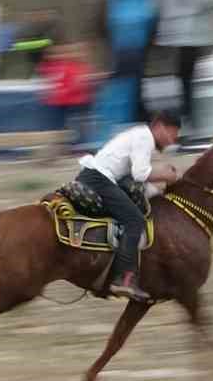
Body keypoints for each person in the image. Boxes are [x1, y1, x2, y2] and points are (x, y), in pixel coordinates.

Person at [68, 109, 182, 302]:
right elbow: (140, 174)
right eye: (172, 134)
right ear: (159, 126)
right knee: (134, 220)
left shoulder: (139, 135)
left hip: (100, 177)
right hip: (99, 179)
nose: (172, 140)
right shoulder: (144, 137)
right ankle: (125, 279)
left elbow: (134, 180)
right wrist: (167, 175)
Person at [91, 0, 161, 136]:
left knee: (139, 95)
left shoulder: (151, 0)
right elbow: (99, 31)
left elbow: (158, 28)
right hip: (118, 56)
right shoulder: (108, 2)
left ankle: (149, 131)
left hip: (144, 56)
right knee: (121, 95)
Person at [37, 43, 94, 150]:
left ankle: (79, 146)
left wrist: (60, 91)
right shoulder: (50, 67)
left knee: (76, 125)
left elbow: (79, 83)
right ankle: (61, 145)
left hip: (75, 102)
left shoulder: (75, 67)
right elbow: (49, 82)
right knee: (59, 125)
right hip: (58, 103)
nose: (57, 56)